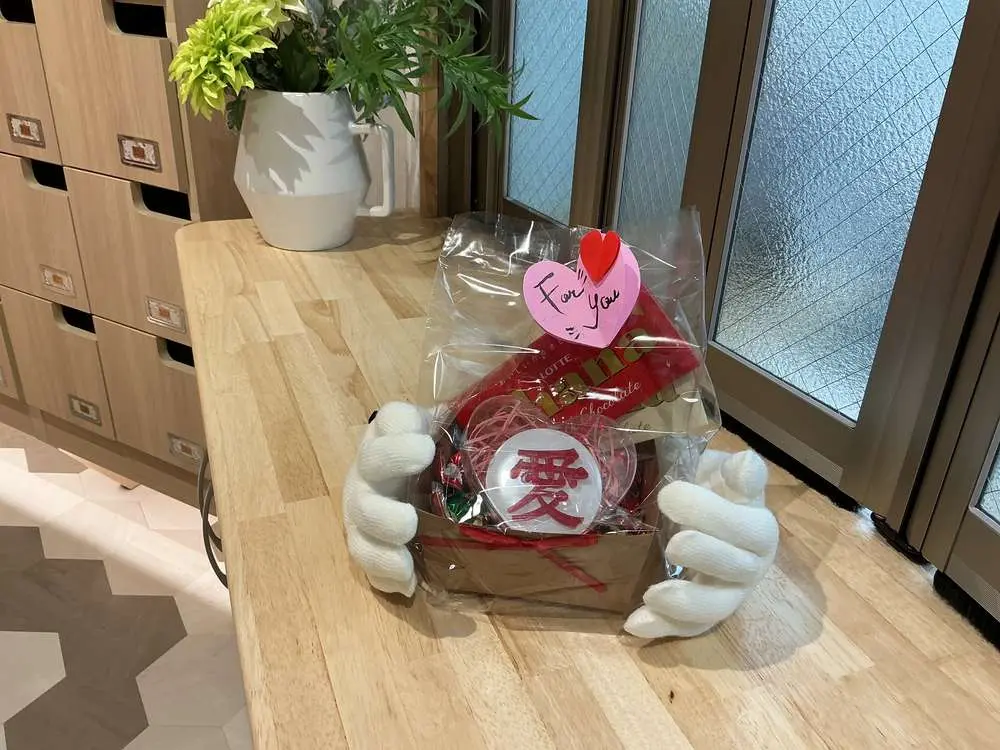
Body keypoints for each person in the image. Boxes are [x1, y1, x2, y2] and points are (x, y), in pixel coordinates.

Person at [344, 403, 779, 638]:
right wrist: (403, 472)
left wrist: (700, 477)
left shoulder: (654, 408)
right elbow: (451, 408)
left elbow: (664, 433)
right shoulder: (480, 391)